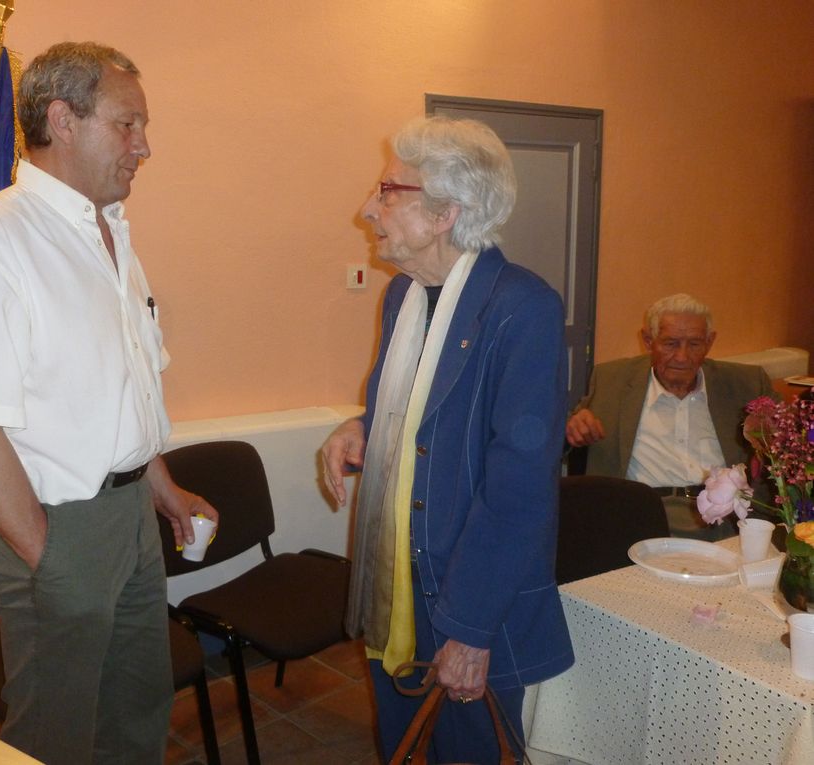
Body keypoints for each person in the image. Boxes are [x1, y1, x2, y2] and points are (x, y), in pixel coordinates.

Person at [0, 42, 218, 765]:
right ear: (63, 119)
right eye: (129, 125)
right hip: (56, 523)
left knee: (137, 711)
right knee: (55, 735)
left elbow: (122, 392)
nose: (144, 147)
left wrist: (164, 488)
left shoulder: (110, 233)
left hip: (128, 518)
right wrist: (45, 554)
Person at [321, 116, 573, 764]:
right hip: (397, 586)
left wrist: (469, 629)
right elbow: (411, 412)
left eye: (387, 191)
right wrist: (360, 428)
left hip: (466, 596)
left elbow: (517, 488)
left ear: (445, 215)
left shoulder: (522, 308)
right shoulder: (404, 295)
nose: (368, 209)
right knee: (403, 746)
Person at [566, 293, 775, 539]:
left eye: (695, 344)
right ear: (648, 340)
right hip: (639, 516)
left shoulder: (746, 384)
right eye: (670, 343)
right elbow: (569, 433)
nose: (682, 357)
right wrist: (573, 426)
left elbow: (788, 447)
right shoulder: (611, 381)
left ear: (710, 341)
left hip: (726, 520)